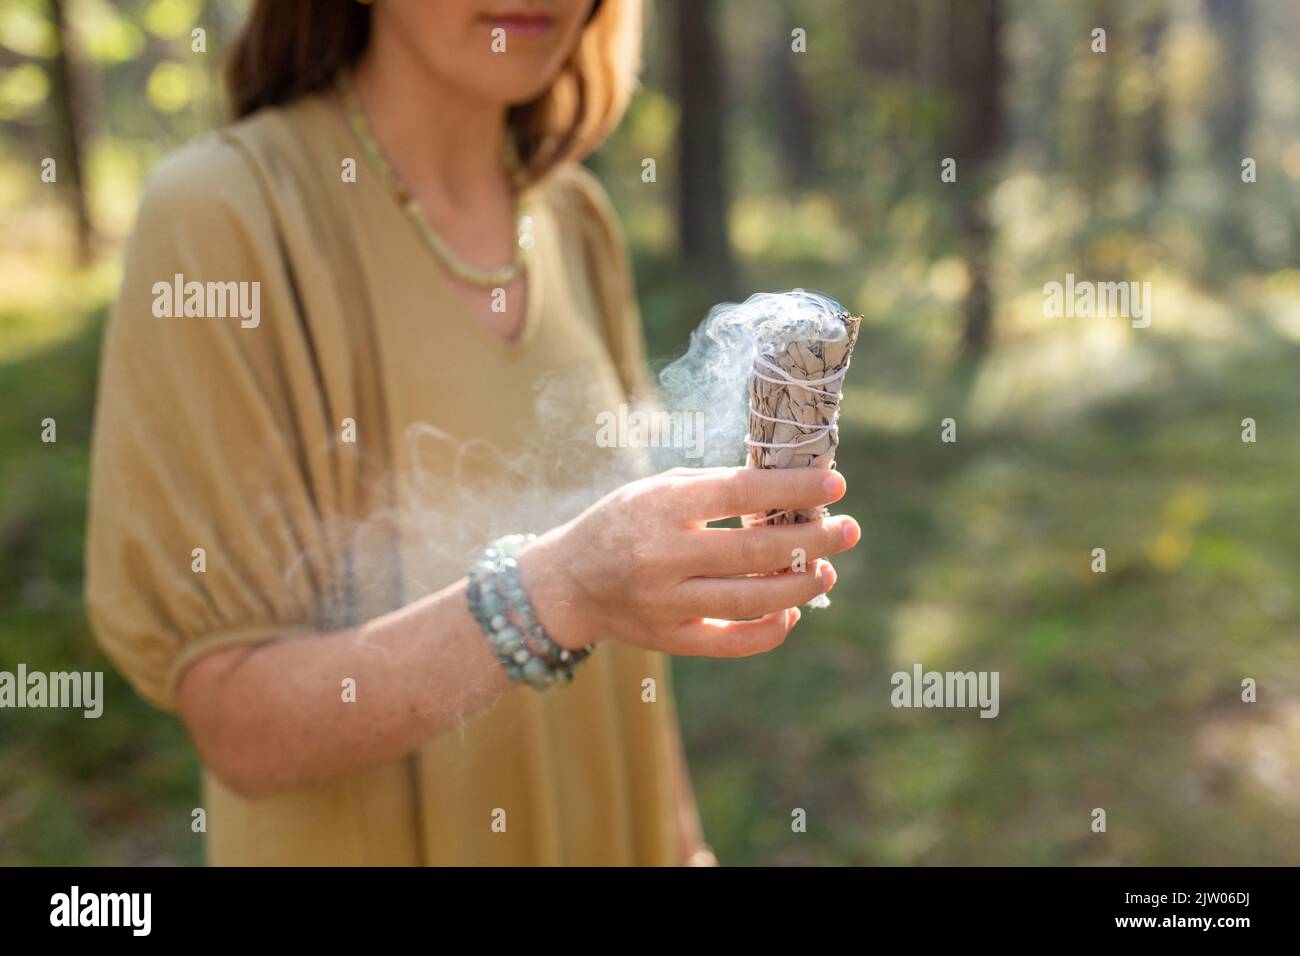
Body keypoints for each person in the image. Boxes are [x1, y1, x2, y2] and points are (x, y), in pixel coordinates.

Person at [85, 0, 861, 865]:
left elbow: (629, 663)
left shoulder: (573, 219)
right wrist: (553, 596)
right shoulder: (221, 215)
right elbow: (238, 724)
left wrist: (684, 851)